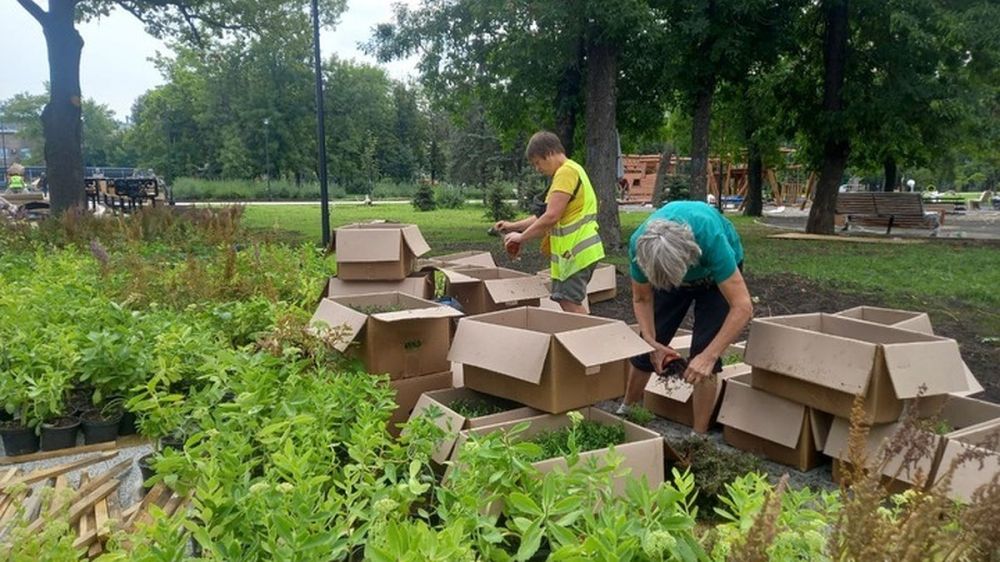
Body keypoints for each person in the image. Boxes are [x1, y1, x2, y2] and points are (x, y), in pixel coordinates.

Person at [619, 201, 753, 431]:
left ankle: (698, 436)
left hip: (714, 279)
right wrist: (652, 343)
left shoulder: (710, 238)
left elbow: (742, 307)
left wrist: (709, 356)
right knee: (647, 345)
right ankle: (627, 410)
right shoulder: (641, 247)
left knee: (704, 352)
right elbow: (642, 299)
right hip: (667, 267)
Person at [496, 131, 605, 314]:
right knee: (569, 300)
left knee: (569, 302)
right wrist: (512, 226)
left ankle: (586, 339)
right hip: (578, 252)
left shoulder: (565, 173)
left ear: (549, 153)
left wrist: (521, 238)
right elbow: (544, 216)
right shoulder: (573, 170)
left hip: (575, 252)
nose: (537, 168)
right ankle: (583, 336)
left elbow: (551, 217)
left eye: (537, 162)